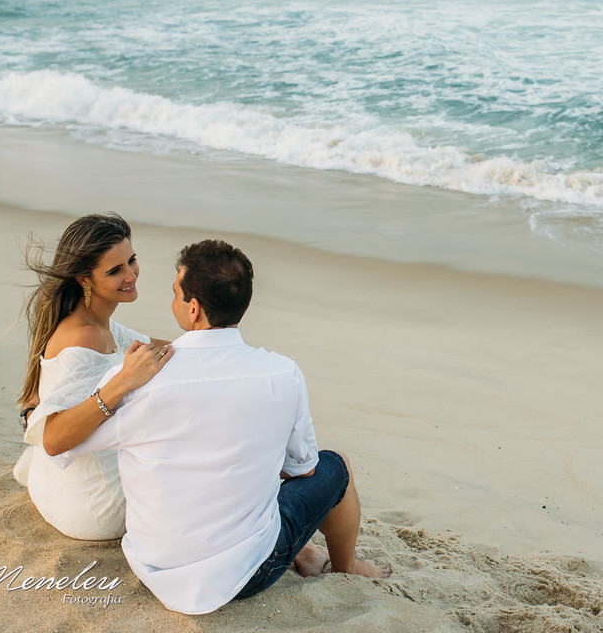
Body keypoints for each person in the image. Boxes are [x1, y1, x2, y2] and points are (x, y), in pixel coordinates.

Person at [49, 239, 388, 614]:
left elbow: (61, 442)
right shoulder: (282, 373)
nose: (173, 300)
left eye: (176, 294)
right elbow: (302, 469)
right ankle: (346, 566)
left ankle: (306, 553)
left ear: (193, 309)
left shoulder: (136, 380)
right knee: (333, 465)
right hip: (248, 574)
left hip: (154, 567)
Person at [15, 213, 174, 540]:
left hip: (53, 487)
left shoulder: (97, 323)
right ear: (84, 279)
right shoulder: (82, 339)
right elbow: (54, 440)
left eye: (132, 261)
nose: (131, 275)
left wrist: (220, 347)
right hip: (96, 508)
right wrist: (122, 384)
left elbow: (164, 350)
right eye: (115, 270)